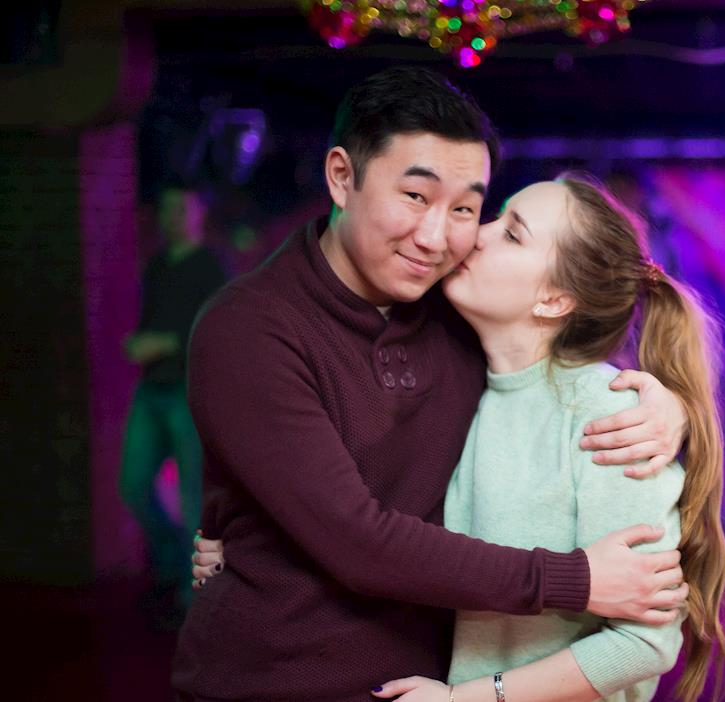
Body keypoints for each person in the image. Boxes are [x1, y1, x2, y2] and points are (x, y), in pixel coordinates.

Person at [173, 67, 691, 702]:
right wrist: (576, 580)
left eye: (466, 209)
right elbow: (356, 540)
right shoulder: (250, 327)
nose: (438, 237)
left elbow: (553, 371)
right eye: (416, 196)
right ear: (342, 177)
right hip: (275, 681)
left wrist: (671, 410)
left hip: (432, 686)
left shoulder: (459, 313)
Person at [119, 185, 227, 629]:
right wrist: (139, 343)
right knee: (133, 486)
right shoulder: (158, 266)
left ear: (200, 213)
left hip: (187, 391)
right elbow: (149, 319)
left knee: (192, 497)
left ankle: (196, 593)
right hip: (151, 389)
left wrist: (165, 343)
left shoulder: (212, 267)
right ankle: (169, 567)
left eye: (181, 208)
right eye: (165, 208)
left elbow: (216, 330)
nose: (172, 217)